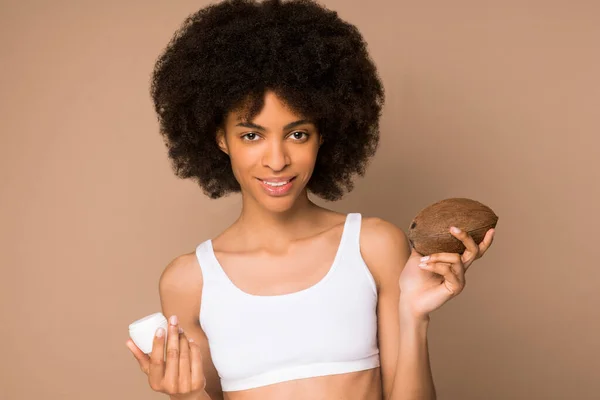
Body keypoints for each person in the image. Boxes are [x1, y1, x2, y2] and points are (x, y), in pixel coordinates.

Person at [125, 0, 495, 399]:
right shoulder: (189, 282)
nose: (277, 160)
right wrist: (187, 397)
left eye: (297, 133)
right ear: (220, 139)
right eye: (252, 135)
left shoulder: (372, 245)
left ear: (323, 133)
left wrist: (414, 316)